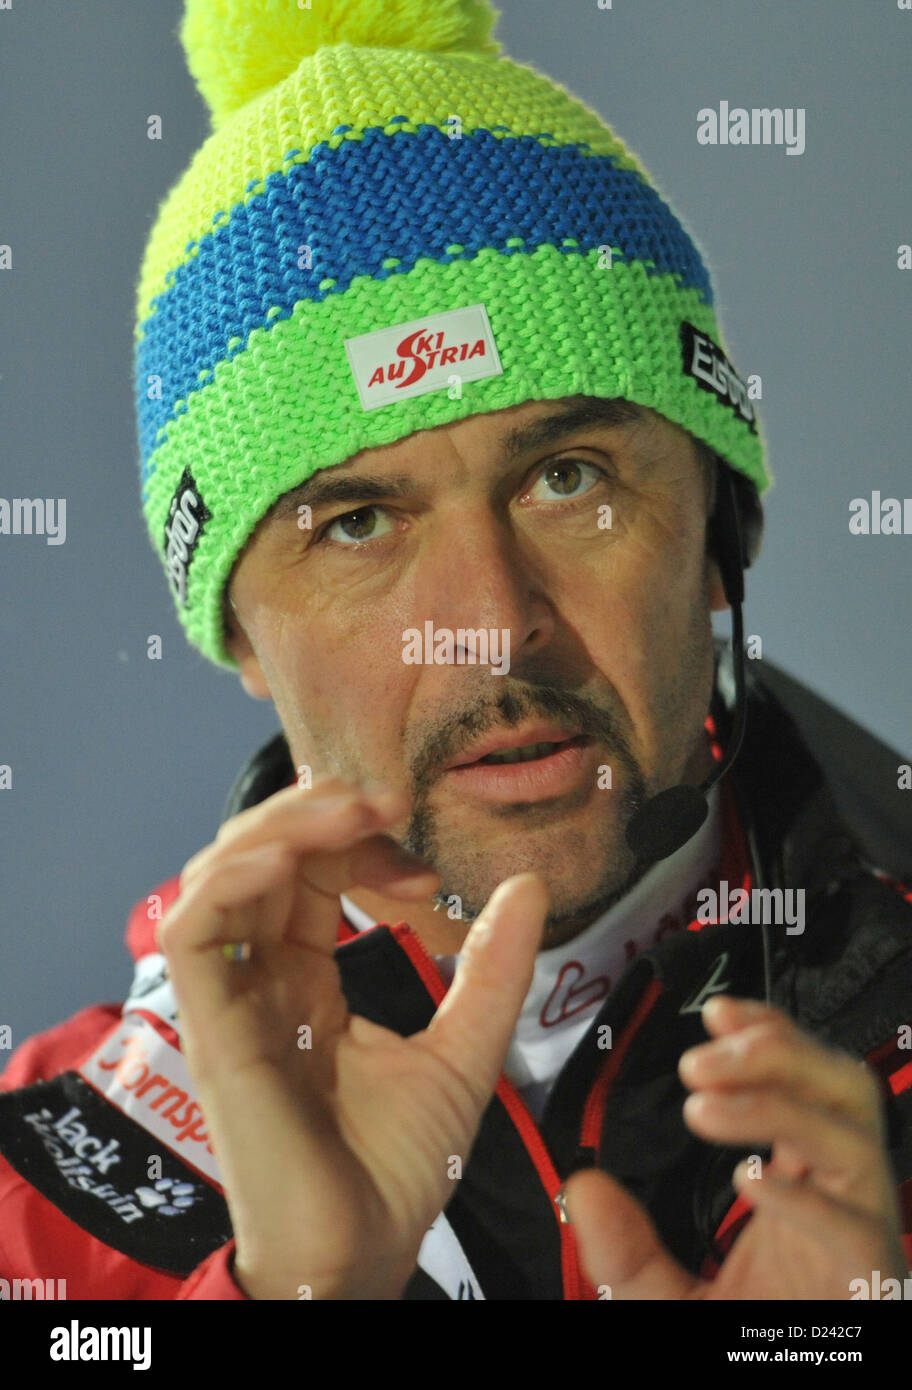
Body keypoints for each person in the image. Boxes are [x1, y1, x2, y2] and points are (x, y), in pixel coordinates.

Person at [2, 0, 911, 1302]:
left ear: (720, 533)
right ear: (239, 635)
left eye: (567, 477)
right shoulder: (43, 1199)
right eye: (359, 521)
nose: (490, 621)